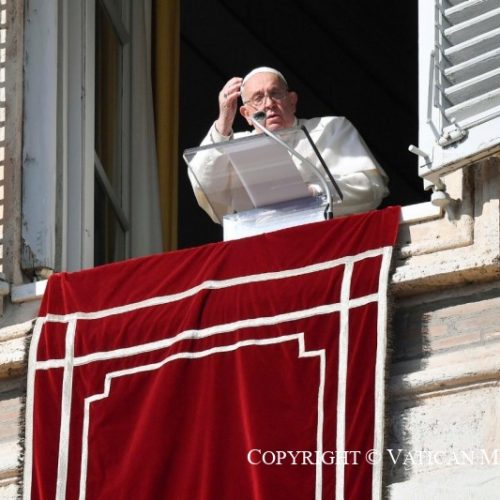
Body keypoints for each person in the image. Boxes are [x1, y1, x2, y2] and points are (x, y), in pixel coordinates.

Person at [188, 66, 389, 223]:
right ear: (246, 114)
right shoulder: (233, 145)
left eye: (275, 93)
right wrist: (223, 123)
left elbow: (370, 187)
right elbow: (205, 186)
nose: (269, 104)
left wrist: (313, 193)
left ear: (292, 101)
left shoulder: (331, 128)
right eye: (258, 98)